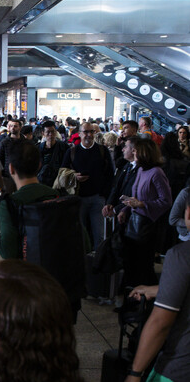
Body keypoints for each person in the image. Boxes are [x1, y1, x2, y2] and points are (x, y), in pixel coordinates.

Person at [121, 191, 190, 382]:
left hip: (182, 371)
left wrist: (134, 374)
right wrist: (159, 288)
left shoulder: (182, 256)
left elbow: (161, 323)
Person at [0, 140, 58, 259]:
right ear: (39, 165)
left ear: (11, 169)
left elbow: (7, 252)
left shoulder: (9, 204)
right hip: (56, 273)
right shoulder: (56, 196)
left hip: (28, 272)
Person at [118, 138, 172, 289]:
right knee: (132, 263)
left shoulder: (156, 173)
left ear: (144, 153)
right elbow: (136, 196)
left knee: (143, 265)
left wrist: (142, 204)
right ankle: (131, 299)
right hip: (134, 223)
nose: (133, 152)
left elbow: (166, 201)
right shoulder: (141, 170)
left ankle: (146, 299)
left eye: (135, 150)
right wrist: (125, 209)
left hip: (147, 226)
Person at [61, 121, 114, 250]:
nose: (89, 135)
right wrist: (75, 177)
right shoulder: (72, 152)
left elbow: (110, 175)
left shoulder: (102, 150)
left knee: (99, 235)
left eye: (91, 132)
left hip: (98, 199)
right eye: (86, 132)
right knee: (79, 235)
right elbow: (62, 173)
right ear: (79, 133)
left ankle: (98, 264)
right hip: (78, 199)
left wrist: (105, 196)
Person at [37, 120, 68, 187]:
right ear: (43, 133)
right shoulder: (38, 148)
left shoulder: (64, 147)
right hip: (42, 181)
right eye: (48, 132)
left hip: (58, 181)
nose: (50, 134)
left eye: (53, 132)